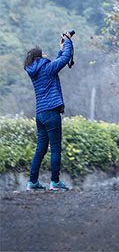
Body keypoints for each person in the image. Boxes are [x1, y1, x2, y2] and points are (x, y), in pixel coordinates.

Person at [24, 32, 74, 191]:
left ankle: (32, 182)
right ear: (40, 57)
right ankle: (55, 182)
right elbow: (65, 60)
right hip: (52, 112)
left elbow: (58, 61)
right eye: (44, 52)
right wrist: (67, 42)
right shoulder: (46, 68)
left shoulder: (35, 71)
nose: (46, 54)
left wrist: (62, 48)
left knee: (41, 148)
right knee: (56, 148)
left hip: (40, 114)